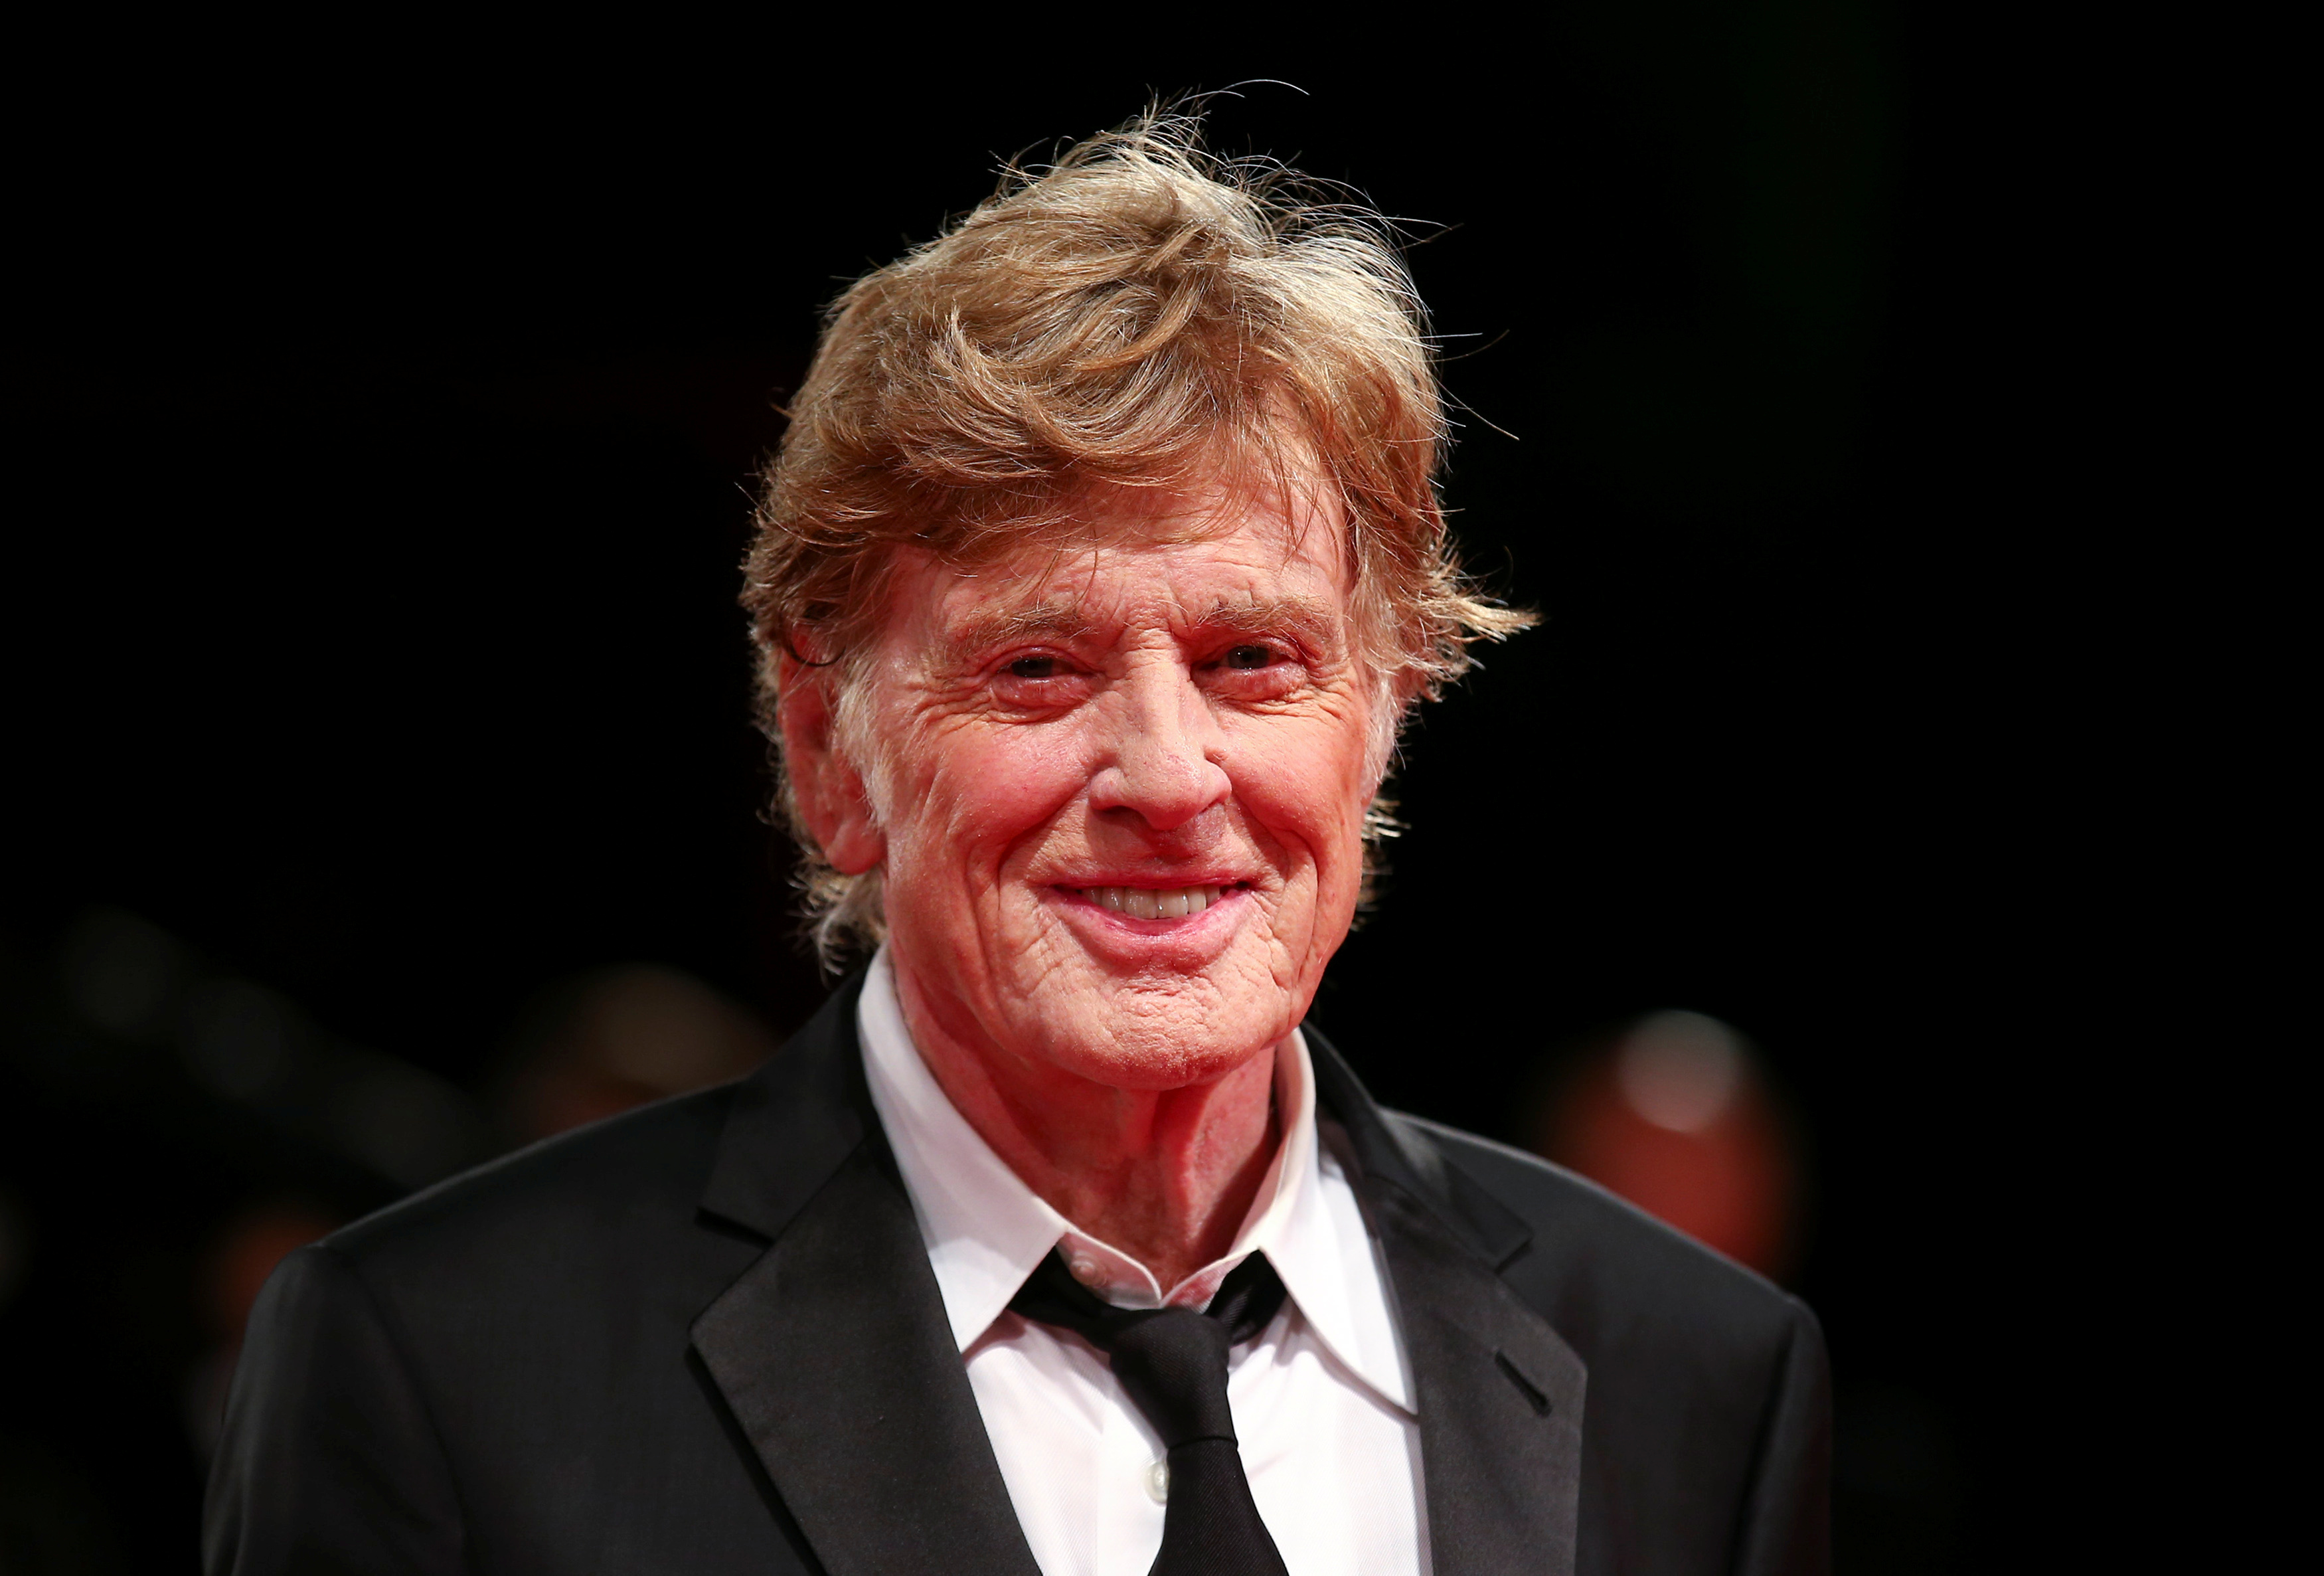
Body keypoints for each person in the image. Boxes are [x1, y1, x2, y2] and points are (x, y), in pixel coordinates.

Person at [206, 116, 1829, 1576]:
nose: (1166, 773)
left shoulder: (1693, 1377)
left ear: (1384, 717)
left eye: (1252, 659)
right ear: (827, 745)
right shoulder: (439, 1371)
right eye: (1035, 667)